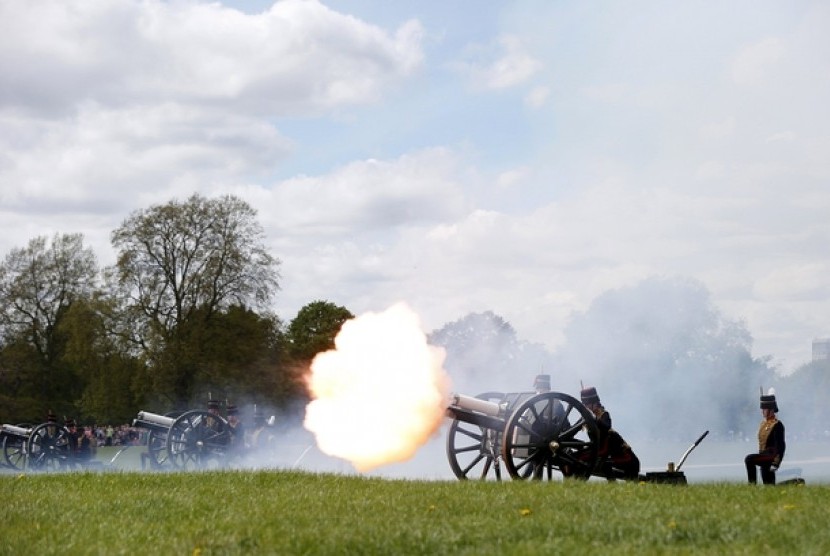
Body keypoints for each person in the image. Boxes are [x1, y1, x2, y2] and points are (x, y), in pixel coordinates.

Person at [580, 386, 640, 480]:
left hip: (627, 458)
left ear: (594, 403)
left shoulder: (604, 414)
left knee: (605, 464)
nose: (585, 407)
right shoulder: (587, 419)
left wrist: (593, 418)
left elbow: (606, 427)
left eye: (586, 405)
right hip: (605, 453)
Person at [745, 389, 786, 485]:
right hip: (764, 456)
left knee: (749, 459)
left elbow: (781, 446)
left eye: (764, 409)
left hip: (771, 456)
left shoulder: (777, 425)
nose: (762, 412)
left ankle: (752, 486)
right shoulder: (763, 424)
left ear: (771, 410)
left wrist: (776, 463)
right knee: (769, 486)